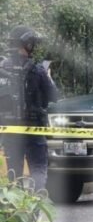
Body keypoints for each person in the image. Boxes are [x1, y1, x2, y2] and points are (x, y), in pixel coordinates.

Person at [0, 26, 58, 191]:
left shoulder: (2, 68)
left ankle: (18, 212)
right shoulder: (37, 70)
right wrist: (48, 77)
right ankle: (37, 205)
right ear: (27, 43)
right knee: (38, 169)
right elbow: (53, 96)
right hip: (34, 130)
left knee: (13, 173)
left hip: (10, 131)